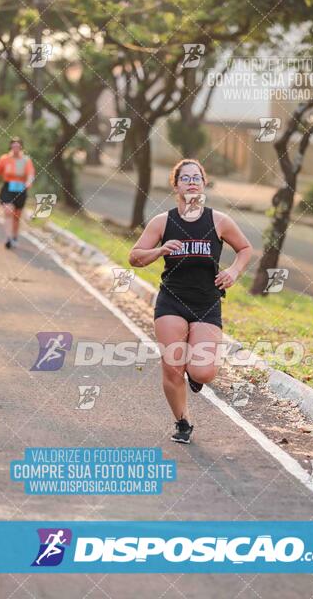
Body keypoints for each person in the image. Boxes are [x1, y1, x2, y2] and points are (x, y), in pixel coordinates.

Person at [129, 159, 252, 444]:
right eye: (185, 178)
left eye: (197, 177)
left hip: (207, 303)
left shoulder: (219, 221)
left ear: (204, 183)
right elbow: (134, 257)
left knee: (203, 371)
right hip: (172, 300)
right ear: (176, 185)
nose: (192, 182)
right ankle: (182, 421)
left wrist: (234, 271)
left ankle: (196, 377)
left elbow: (245, 248)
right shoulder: (163, 222)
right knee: (173, 366)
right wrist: (160, 250)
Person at [0, 137, 35, 249]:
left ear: (21, 147)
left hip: (21, 190)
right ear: (10, 146)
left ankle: (15, 236)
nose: (15, 148)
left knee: (16, 216)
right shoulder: (4, 159)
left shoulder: (25, 160)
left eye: (17, 145)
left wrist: (29, 182)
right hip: (8, 189)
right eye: (13, 145)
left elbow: (30, 174)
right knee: (8, 211)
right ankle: (8, 237)